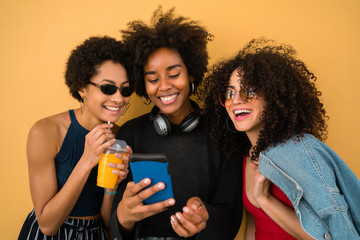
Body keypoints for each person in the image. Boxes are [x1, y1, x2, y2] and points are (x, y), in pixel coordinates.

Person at [201, 38, 360, 239]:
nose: (236, 100)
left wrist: (265, 199)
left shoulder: (301, 152)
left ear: (274, 95)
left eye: (249, 90)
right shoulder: (246, 155)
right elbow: (254, 225)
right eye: (230, 92)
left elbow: (332, 234)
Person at [109, 7, 243, 240]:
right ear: (143, 84)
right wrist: (123, 216)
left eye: (174, 74)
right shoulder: (130, 134)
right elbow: (116, 228)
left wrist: (205, 218)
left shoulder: (225, 134)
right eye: (152, 79)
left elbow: (231, 221)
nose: (164, 87)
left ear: (191, 74)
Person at [18, 36, 133, 240]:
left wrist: (112, 186)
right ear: (82, 88)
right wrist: (87, 160)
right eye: (107, 88)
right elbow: (47, 225)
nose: (118, 98)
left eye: (125, 89)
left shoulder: (120, 136)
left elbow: (107, 223)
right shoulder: (45, 132)